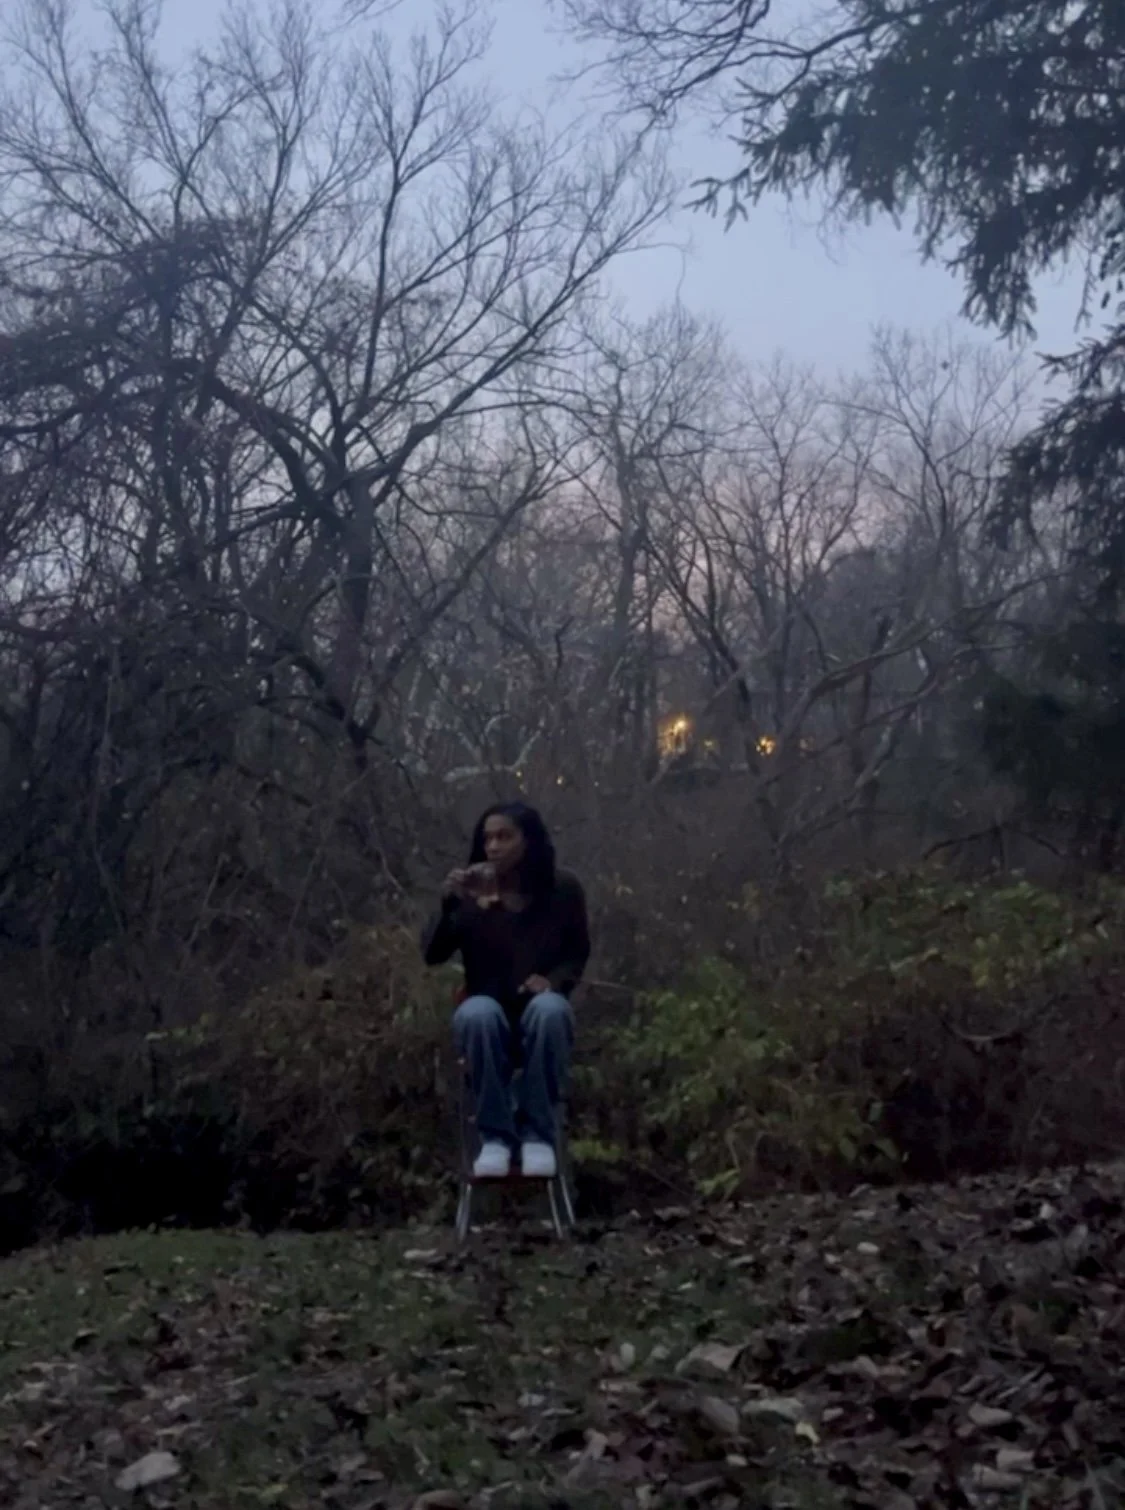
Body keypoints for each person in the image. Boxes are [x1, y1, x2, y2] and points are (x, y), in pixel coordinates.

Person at [421, 801, 590, 1180]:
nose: (493, 846)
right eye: (487, 838)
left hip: (538, 1014)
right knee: (476, 1012)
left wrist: (555, 982)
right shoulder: (470, 894)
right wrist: (448, 905)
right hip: (488, 1013)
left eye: (504, 836)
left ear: (528, 841)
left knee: (552, 1009)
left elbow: (576, 952)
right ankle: (495, 1137)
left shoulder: (562, 890)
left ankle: (537, 1137)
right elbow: (433, 954)